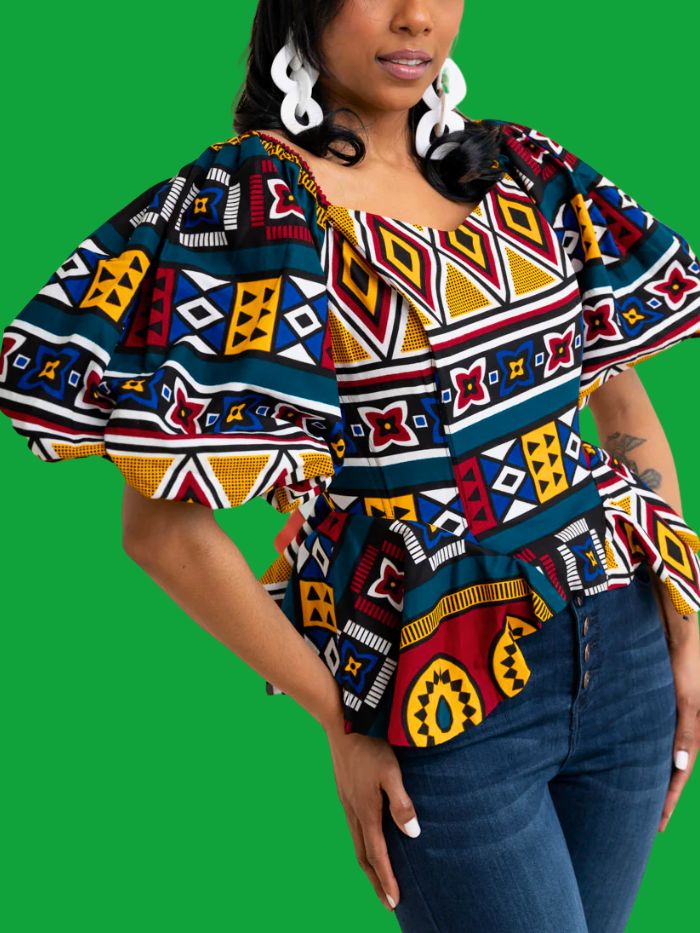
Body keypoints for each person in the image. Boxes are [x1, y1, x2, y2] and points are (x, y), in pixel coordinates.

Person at [1, 1, 698, 930]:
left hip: (628, 655)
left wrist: (685, 625)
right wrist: (340, 719)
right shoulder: (258, 206)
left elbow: (619, 402)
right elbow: (160, 531)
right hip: (442, 703)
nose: (416, 18)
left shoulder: (525, 173)